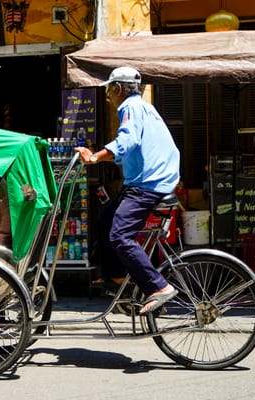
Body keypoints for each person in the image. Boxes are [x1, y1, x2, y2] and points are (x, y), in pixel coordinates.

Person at [74, 66, 181, 315]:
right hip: (146, 181)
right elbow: (131, 150)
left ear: (118, 88)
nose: (108, 96)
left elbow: (127, 141)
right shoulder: (145, 107)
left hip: (148, 184)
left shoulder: (130, 108)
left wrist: (94, 157)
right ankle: (118, 279)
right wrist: (105, 157)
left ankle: (159, 286)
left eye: (109, 90)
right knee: (104, 219)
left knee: (120, 236)